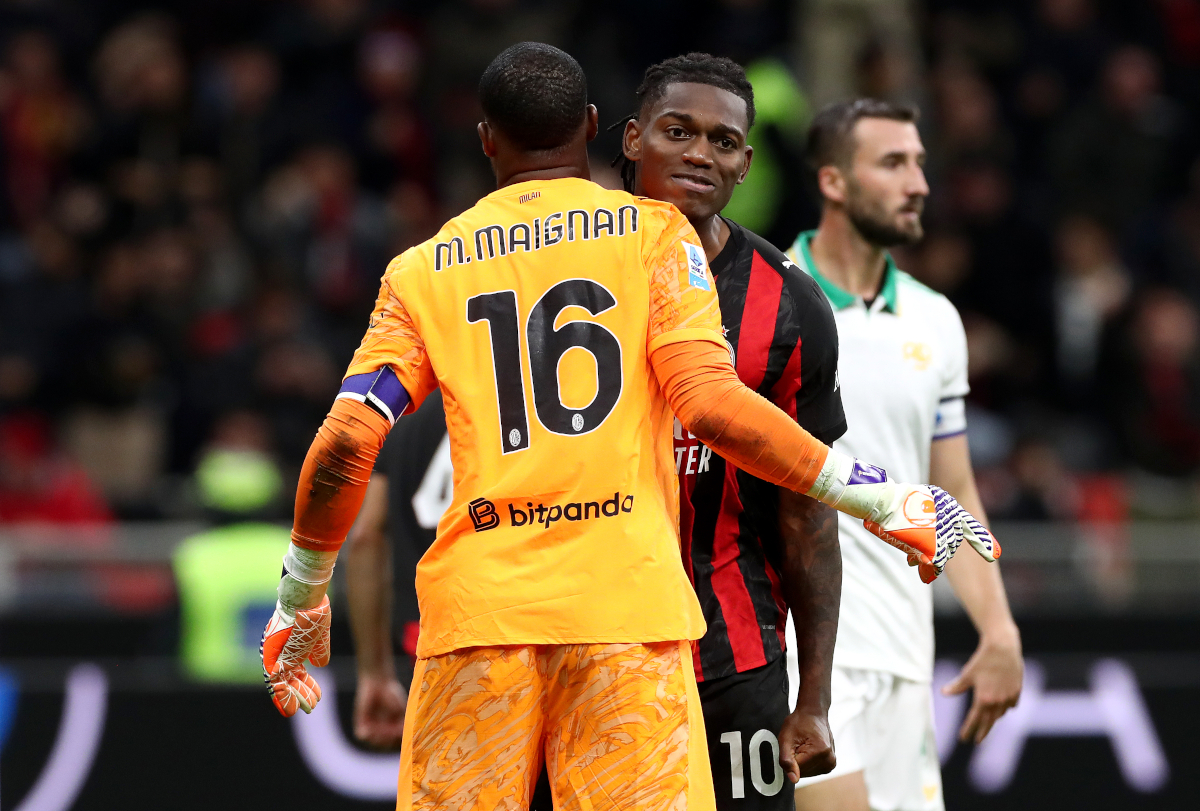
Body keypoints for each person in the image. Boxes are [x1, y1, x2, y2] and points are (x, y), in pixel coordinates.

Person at [259, 44, 996, 811]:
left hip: (478, 623)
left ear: (485, 140)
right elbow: (712, 403)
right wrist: (875, 495)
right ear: (595, 128)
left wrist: (303, 594)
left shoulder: (420, 272)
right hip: (627, 623)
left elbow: (346, 444)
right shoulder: (652, 238)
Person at [615, 53, 844, 809]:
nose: (699, 154)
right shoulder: (561, 280)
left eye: (722, 141)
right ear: (632, 138)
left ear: (747, 162)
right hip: (587, 649)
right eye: (678, 131)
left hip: (733, 662)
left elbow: (805, 510)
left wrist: (813, 695)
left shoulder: (791, 306)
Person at [782, 99, 1024, 811]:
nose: (918, 181)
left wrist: (999, 625)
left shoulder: (935, 319)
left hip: (903, 655)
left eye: (919, 162)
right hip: (803, 658)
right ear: (833, 181)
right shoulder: (768, 296)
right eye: (893, 163)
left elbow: (952, 489)